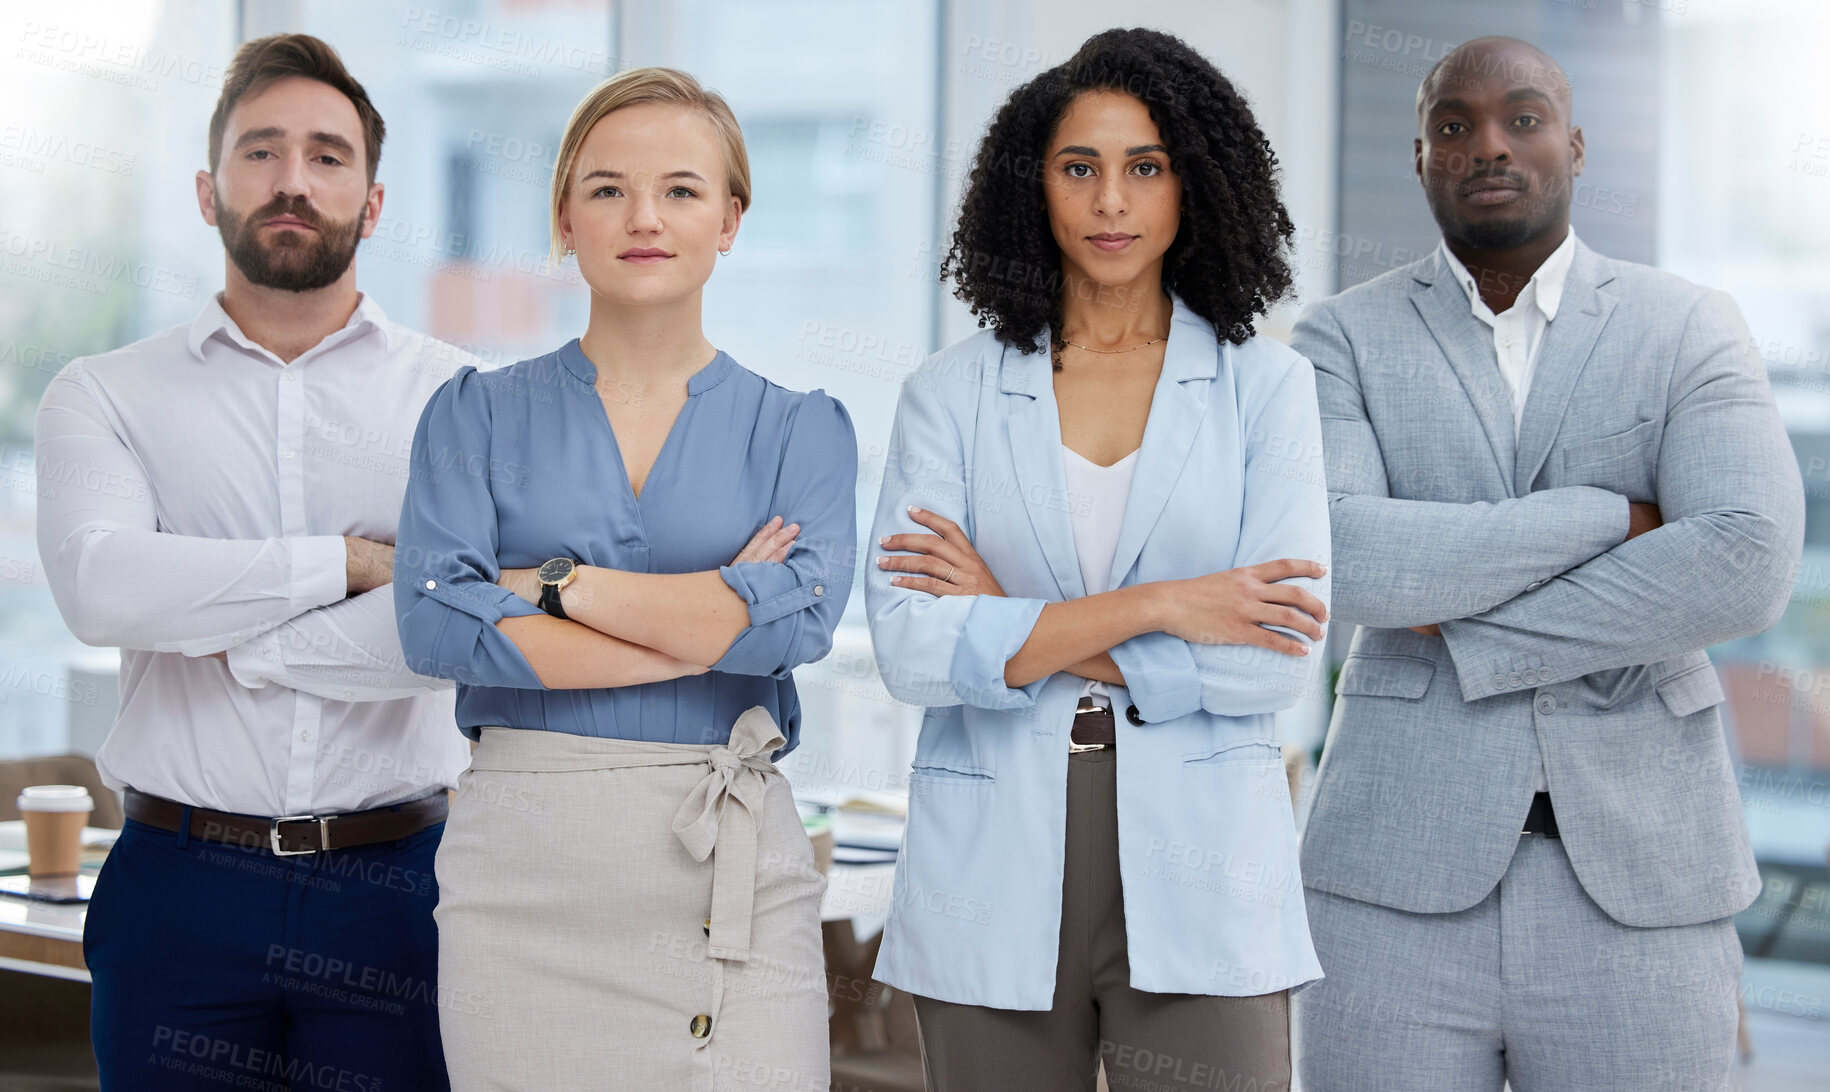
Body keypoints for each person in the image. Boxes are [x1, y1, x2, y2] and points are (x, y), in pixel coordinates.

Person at [1291, 36, 1804, 1092]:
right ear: (1421, 155)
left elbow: (1745, 560)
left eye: (1522, 118)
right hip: (1391, 885)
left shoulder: (1690, 327)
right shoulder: (1338, 339)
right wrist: (1608, 517)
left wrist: (1467, 628)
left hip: (1645, 885)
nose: (1489, 143)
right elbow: (1342, 561)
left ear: (1573, 144)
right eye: (1453, 123)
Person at [865, 28, 1330, 1092]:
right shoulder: (950, 393)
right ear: (1035, 188)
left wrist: (1015, 623)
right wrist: (1166, 604)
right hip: (993, 851)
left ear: (1194, 185)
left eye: (1145, 168)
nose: (1111, 201)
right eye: (1080, 169)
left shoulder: (1269, 391)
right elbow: (911, 649)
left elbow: (1273, 662)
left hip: (1204, 857)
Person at [393, 66, 856, 1089]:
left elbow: (798, 628)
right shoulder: (471, 416)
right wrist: (708, 617)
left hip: (733, 876)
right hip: (524, 882)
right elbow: (438, 632)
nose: (644, 216)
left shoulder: (799, 430)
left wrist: (556, 584)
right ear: (564, 214)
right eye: (607, 189)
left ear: (730, 219)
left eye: (682, 190)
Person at [35, 33, 478, 1090]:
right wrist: (351, 561)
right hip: (177, 887)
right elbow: (104, 591)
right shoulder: (104, 394)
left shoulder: (462, 399)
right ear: (206, 190)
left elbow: (460, 625)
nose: (293, 181)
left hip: (399, 886)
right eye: (261, 152)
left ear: (373, 202)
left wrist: (219, 615)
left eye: (328, 156)